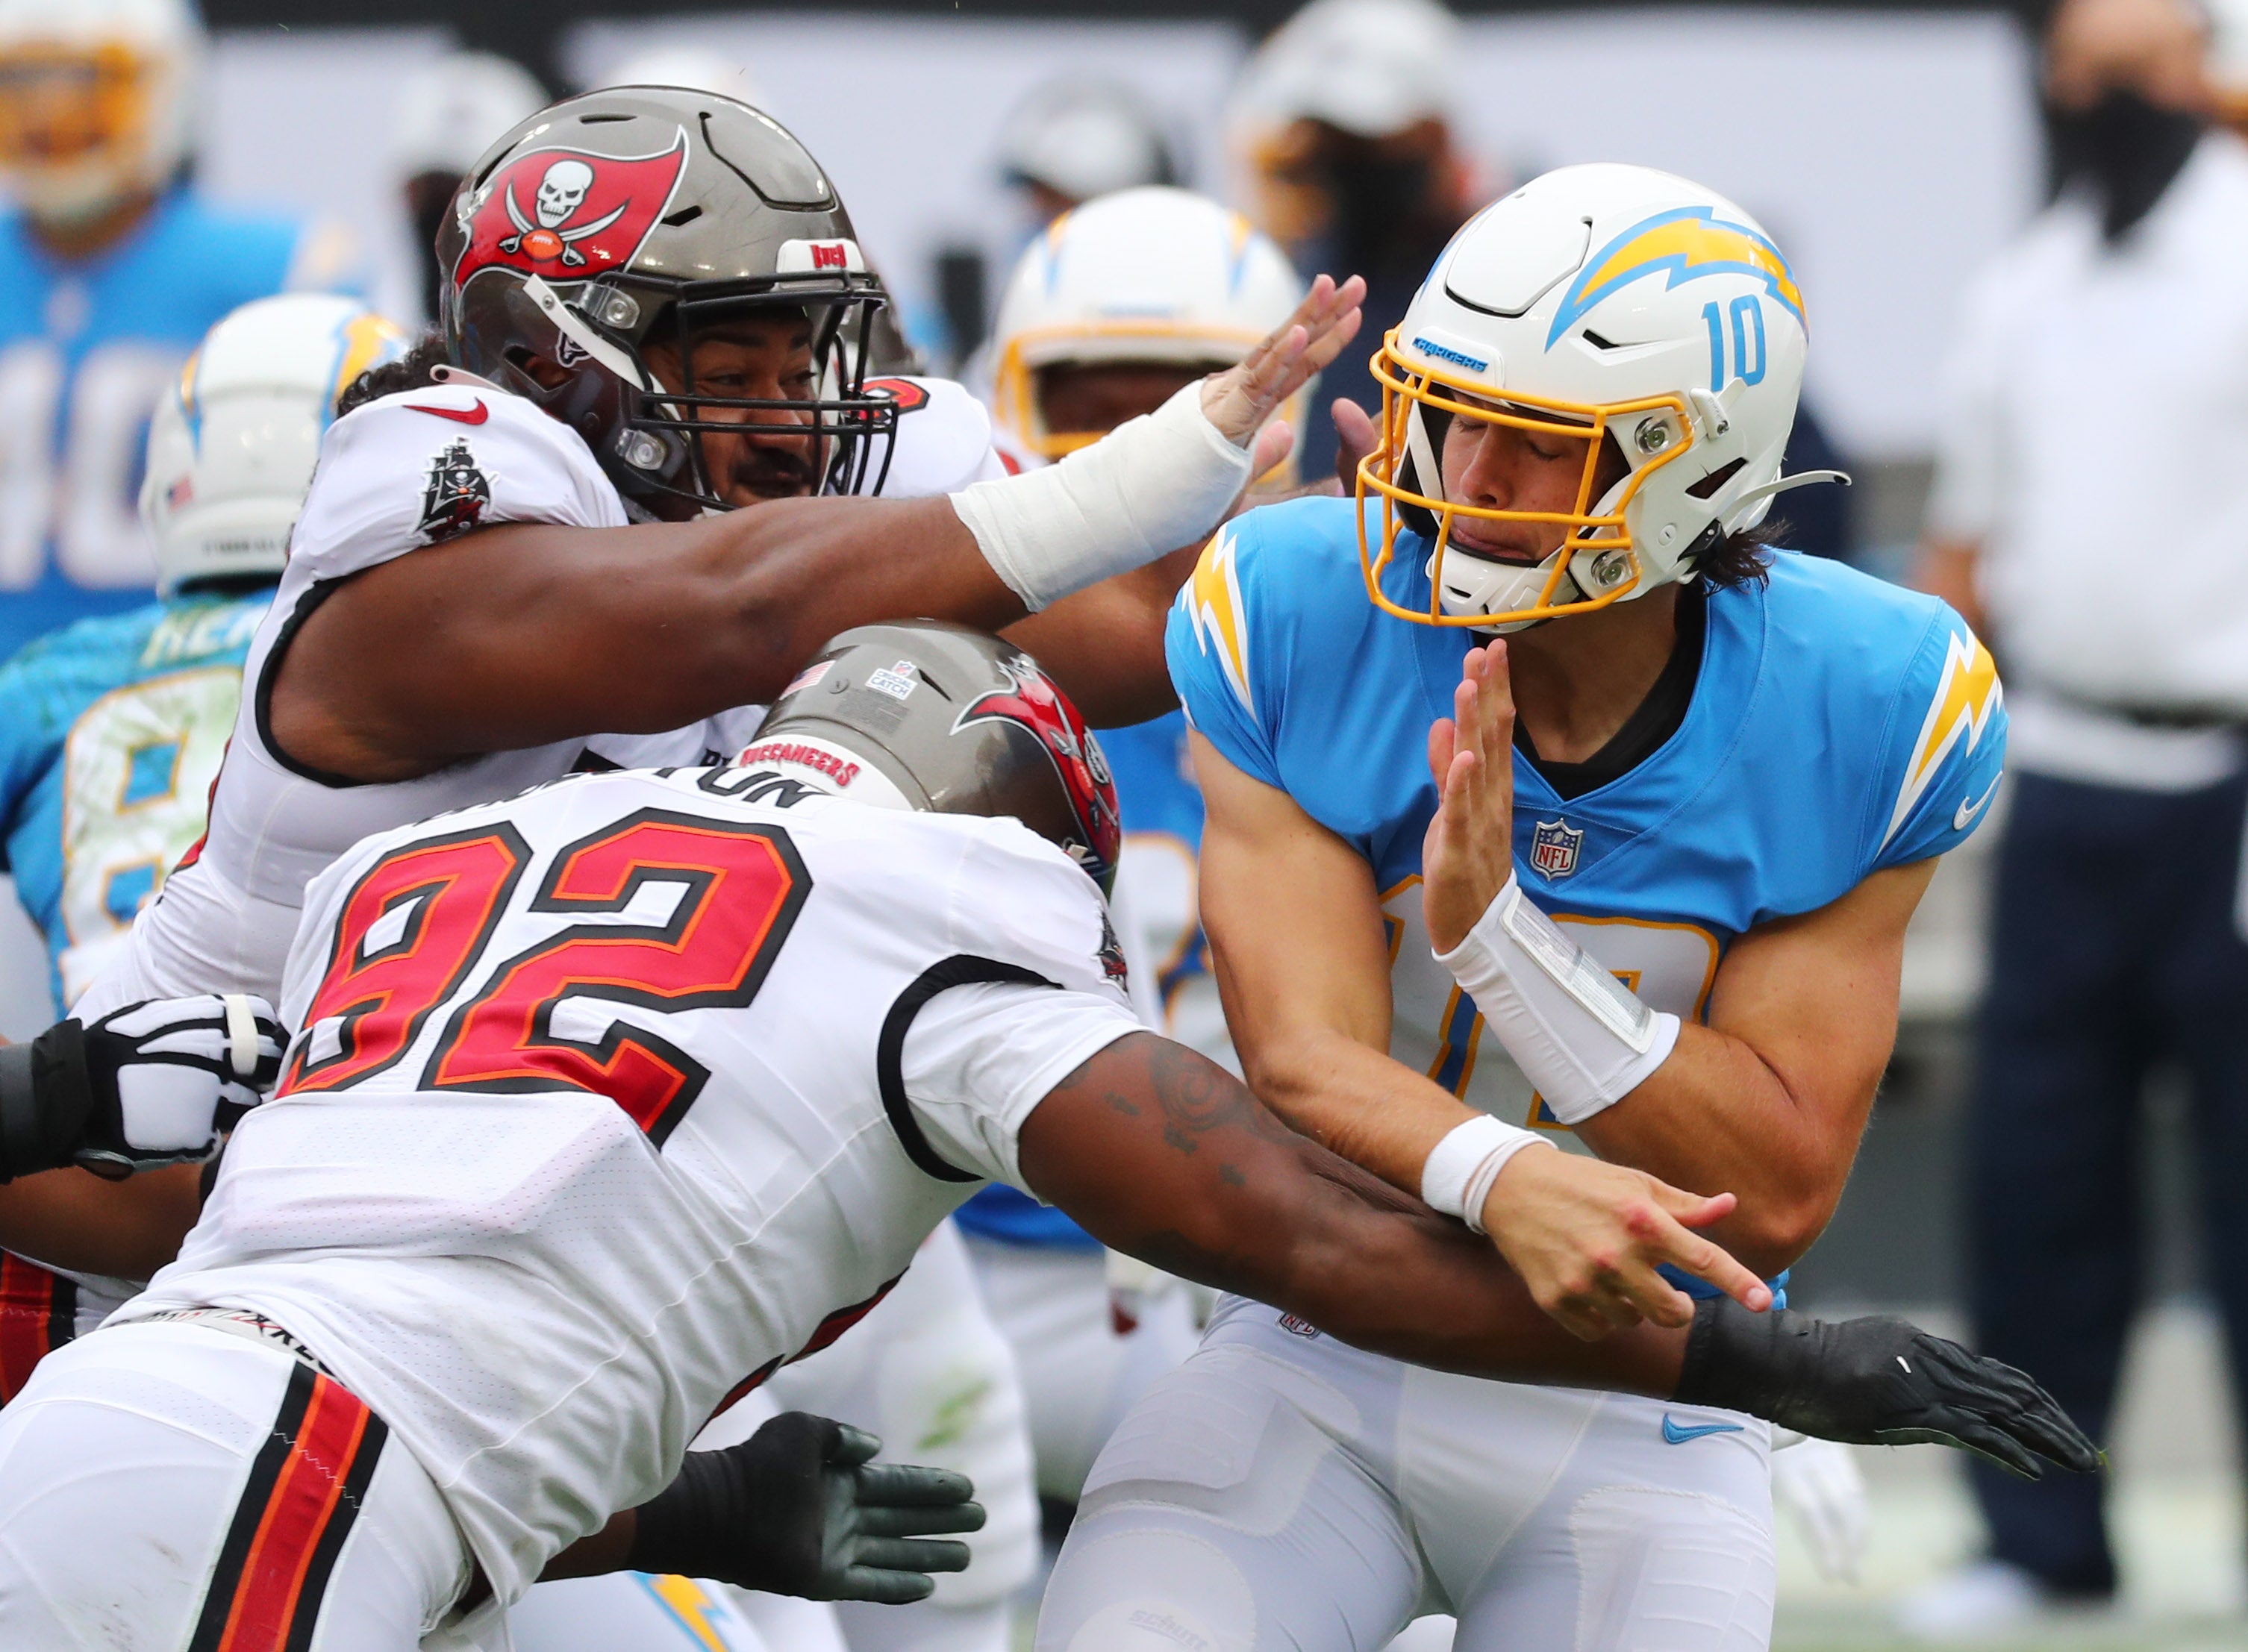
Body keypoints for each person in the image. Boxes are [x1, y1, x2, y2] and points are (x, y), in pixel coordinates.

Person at [0, 619, 2096, 1650]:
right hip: (292, 1481)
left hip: (119, 1414)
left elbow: (345, 1293)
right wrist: (1756, 1356)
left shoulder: (454, 859)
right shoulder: (948, 910)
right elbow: (1303, 1227)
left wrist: (678, 1509)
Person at [1037, 161, 2001, 1652]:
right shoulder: (1304, 604)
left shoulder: (1869, 701)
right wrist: (1503, 1174)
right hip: (1315, 1352)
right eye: (1450, 414)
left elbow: (1783, 1178)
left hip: (1643, 1406)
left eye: (1531, 446)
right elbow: (1301, 1057)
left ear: (1690, 465)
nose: (1461, 479)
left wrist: (1504, 946)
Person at [1904, 0, 2248, 1632]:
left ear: (2206, 75)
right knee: (2037, 1177)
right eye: (2077, 71)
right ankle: (2041, 1542)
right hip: (2070, 775)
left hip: (2241, 786)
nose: (2099, 100)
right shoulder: (2022, 291)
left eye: (2133, 70)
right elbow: (1960, 560)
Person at [964, 185, 1304, 1514]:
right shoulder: (942, 644)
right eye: (1104, 404)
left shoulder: (1345, 645)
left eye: (1201, 396)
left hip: (1262, 1265)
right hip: (955, 1257)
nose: (1158, 449)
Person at [0, 0, 361, 660]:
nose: (47, 117)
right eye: (20, 85)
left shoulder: (274, 269)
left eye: (83, 85)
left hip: (194, 671)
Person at [1225, 0, 1479, 481]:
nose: (1343, 163)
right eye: (1327, 141)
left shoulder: (1497, 291)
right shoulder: (1291, 286)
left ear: (1435, 135)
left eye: (1366, 142)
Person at [390, 51, 549, 328]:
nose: (445, 216)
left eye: (470, 197)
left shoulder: (568, 346)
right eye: (433, 193)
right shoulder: (364, 332)